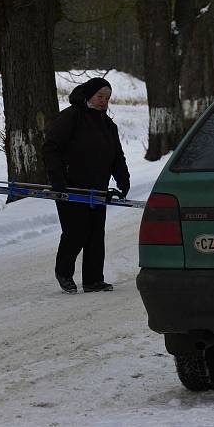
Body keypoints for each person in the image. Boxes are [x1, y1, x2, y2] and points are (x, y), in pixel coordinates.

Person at [42, 77, 130, 294]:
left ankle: (93, 280)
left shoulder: (108, 125)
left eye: (107, 98)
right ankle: (64, 272)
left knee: (95, 235)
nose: (103, 101)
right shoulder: (71, 117)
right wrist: (57, 180)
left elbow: (117, 156)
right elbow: (50, 147)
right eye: (100, 96)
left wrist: (123, 179)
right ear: (89, 94)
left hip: (97, 189)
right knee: (76, 232)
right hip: (71, 188)